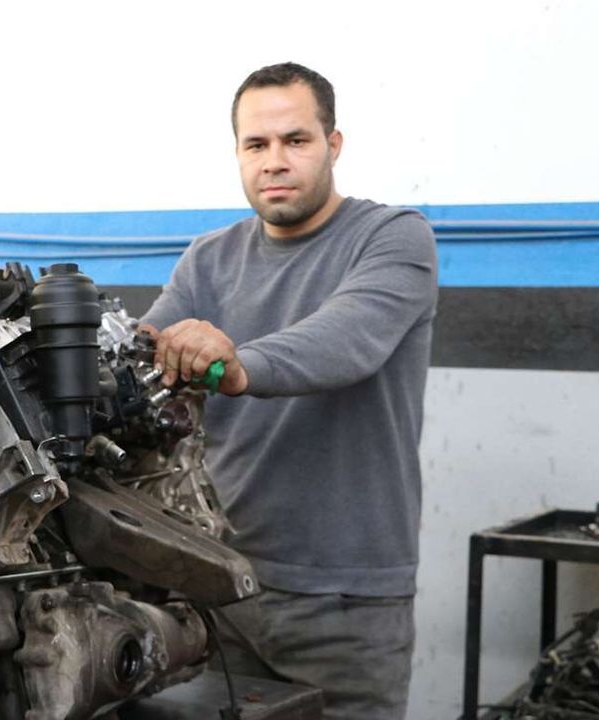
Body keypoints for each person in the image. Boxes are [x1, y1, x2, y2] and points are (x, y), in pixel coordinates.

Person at [140, 63, 438, 720]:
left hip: (346, 604)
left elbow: (348, 338)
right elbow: (143, 357)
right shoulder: (209, 258)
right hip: (224, 584)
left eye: (295, 140)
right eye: (256, 144)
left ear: (333, 145)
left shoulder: (392, 237)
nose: (274, 160)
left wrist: (238, 366)